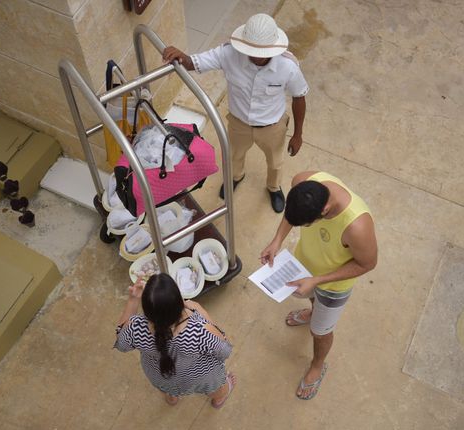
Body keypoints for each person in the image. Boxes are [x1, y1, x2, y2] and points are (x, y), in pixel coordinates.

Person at [162, 13, 309, 213]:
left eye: (261, 51)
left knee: (275, 161)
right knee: (234, 156)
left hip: (272, 127)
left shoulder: (288, 66)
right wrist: (181, 56)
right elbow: (194, 63)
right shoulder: (229, 54)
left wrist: (298, 134)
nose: (255, 55)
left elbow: (299, 96)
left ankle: (274, 187)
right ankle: (236, 177)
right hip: (239, 123)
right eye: (251, 49)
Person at [260, 171, 377, 400]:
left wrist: (318, 280)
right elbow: (291, 214)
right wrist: (277, 240)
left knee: (320, 332)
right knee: (312, 300)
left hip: (333, 286)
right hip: (306, 268)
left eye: (305, 225)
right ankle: (314, 311)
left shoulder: (357, 226)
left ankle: (317, 365)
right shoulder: (304, 180)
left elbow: (368, 263)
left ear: (323, 212)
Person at [114, 273, 236, 408]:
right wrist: (200, 309)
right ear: (179, 302)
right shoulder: (199, 330)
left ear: (147, 309)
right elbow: (224, 351)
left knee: (167, 384)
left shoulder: (135, 326)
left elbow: (121, 343)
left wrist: (132, 300)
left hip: (159, 375)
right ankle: (218, 399)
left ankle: (171, 397)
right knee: (218, 387)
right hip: (196, 377)